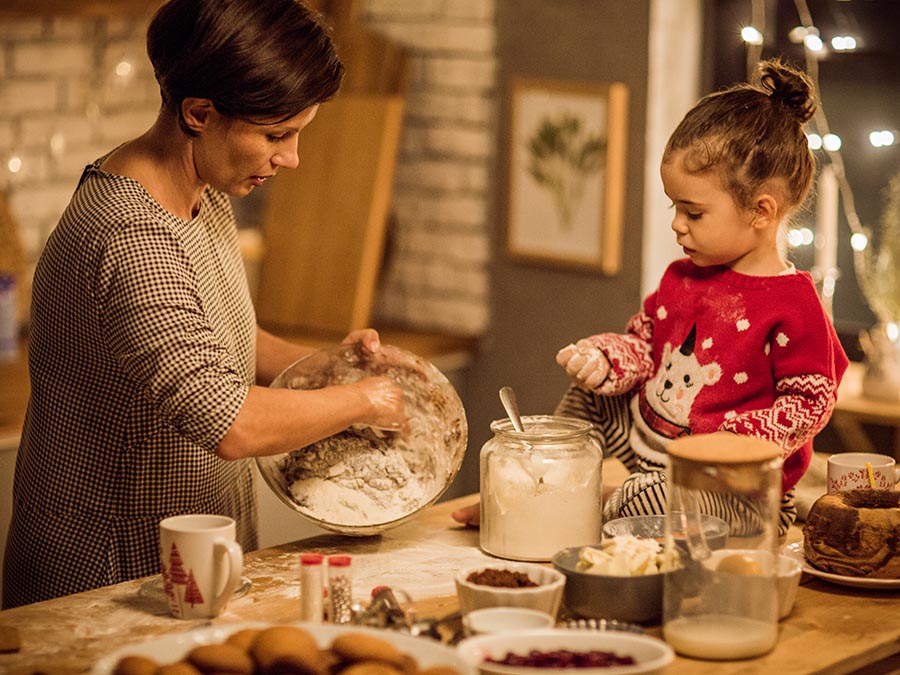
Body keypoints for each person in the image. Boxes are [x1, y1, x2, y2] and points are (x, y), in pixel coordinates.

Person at [3, 0, 406, 609]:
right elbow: (232, 423)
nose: (292, 158)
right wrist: (361, 401)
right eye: (277, 135)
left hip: (187, 562)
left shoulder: (201, 194)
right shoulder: (131, 236)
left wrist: (329, 364)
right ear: (199, 113)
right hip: (111, 575)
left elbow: (222, 340)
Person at [453, 58, 849, 535]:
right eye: (674, 206)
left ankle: (580, 504)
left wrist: (731, 441)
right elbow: (644, 345)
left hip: (735, 495)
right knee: (589, 399)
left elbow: (810, 403)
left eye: (694, 212)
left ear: (761, 212)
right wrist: (606, 358)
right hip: (650, 444)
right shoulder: (682, 276)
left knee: (646, 500)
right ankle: (543, 487)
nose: (677, 224)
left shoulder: (794, 304)